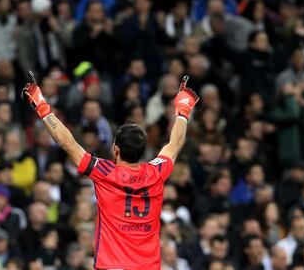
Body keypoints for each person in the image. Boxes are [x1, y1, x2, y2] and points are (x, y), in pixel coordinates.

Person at [21, 75, 199, 268]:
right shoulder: (157, 171)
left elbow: (67, 143)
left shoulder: (104, 172)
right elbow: (175, 144)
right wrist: (183, 110)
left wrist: (42, 106)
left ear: (116, 149)